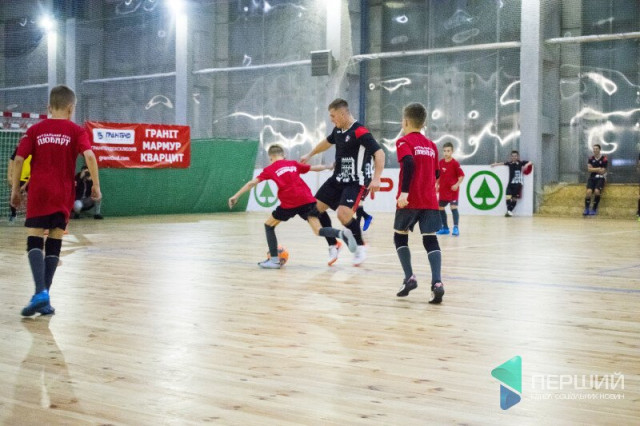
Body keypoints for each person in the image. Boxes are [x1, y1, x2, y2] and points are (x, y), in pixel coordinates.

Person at [10, 85, 101, 316]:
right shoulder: (76, 131)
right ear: (71, 108)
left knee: (34, 239)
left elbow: (19, 159)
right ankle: (44, 297)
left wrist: (15, 190)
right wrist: (96, 186)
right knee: (55, 240)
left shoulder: (35, 130)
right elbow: (90, 156)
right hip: (63, 193)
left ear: (49, 107)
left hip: (39, 192)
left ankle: (40, 293)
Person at [228, 144, 357, 269]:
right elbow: (313, 168)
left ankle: (274, 260)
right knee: (318, 230)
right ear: (283, 155)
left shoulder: (270, 169)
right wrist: (329, 166)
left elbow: (251, 183)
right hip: (306, 199)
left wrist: (236, 196)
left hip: (289, 203)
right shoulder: (292, 163)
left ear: (270, 157)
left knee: (269, 225)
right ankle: (341, 233)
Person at [301, 98, 385, 266]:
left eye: (333, 116)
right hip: (337, 179)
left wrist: (377, 178)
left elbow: (379, 153)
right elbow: (327, 142)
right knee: (313, 211)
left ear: (342, 114)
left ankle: (360, 245)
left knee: (343, 214)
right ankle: (333, 244)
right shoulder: (338, 130)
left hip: (356, 181)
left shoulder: (360, 131)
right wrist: (310, 154)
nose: (332, 120)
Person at [393, 103, 445, 304]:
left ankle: (409, 278)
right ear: (424, 123)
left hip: (410, 200)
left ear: (406, 121)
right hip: (429, 200)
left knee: (400, 236)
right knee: (430, 239)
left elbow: (408, 162)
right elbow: (437, 173)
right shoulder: (431, 145)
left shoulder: (403, 141)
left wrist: (405, 192)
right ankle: (437, 283)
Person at [491, 150, 532, 217]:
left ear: (518, 156)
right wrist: (495, 164)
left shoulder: (521, 163)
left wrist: (526, 165)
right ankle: (509, 211)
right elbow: (502, 163)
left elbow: (530, 162)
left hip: (517, 184)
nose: (514, 157)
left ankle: (509, 211)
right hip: (510, 184)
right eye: (513, 156)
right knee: (508, 197)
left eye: (515, 156)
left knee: (514, 198)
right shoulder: (509, 163)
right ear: (511, 157)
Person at [436, 142, 465, 236]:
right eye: (444, 151)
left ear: (452, 151)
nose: (446, 153)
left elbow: (461, 176)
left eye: (448, 151)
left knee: (453, 207)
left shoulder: (455, 163)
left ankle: (456, 228)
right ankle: (445, 228)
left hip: (453, 191)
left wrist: (457, 184)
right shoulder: (440, 162)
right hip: (443, 190)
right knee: (440, 207)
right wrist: (437, 185)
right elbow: (439, 176)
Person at [7, 146, 31, 223]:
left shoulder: (33, 152)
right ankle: (13, 214)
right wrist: (9, 176)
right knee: (13, 196)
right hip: (17, 178)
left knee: (32, 198)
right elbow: (12, 160)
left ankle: (31, 216)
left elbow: (34, 170)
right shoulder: (18, 151)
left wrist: (25, 185)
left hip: (28, 179)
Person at [583, 144, 607, 216]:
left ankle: (594, 209)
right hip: (592, 178)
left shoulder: (604, 159)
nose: (595, 150)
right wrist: (598, 168)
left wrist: (593, 169)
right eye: (594, 149)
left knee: (597, 191)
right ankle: (586, 209)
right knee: (589, 192)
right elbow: (589, 169)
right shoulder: (591, 158)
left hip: (600, 178)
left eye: (596, 149)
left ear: (599, 150)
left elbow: (603, 171)